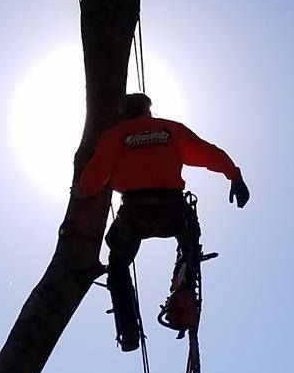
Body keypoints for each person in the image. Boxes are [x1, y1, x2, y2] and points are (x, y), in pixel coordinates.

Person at [76, 92, 249, 352]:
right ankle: (185, 285)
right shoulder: (170, 130)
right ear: (148, 110)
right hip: (173, 210)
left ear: (124, 112)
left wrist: (86, 181)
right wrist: (235, 177)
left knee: (118, 265)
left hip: (135, 213)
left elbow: (89, 186)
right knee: (188, 243)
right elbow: (208, 153)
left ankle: (128, 327)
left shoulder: (115, 135)